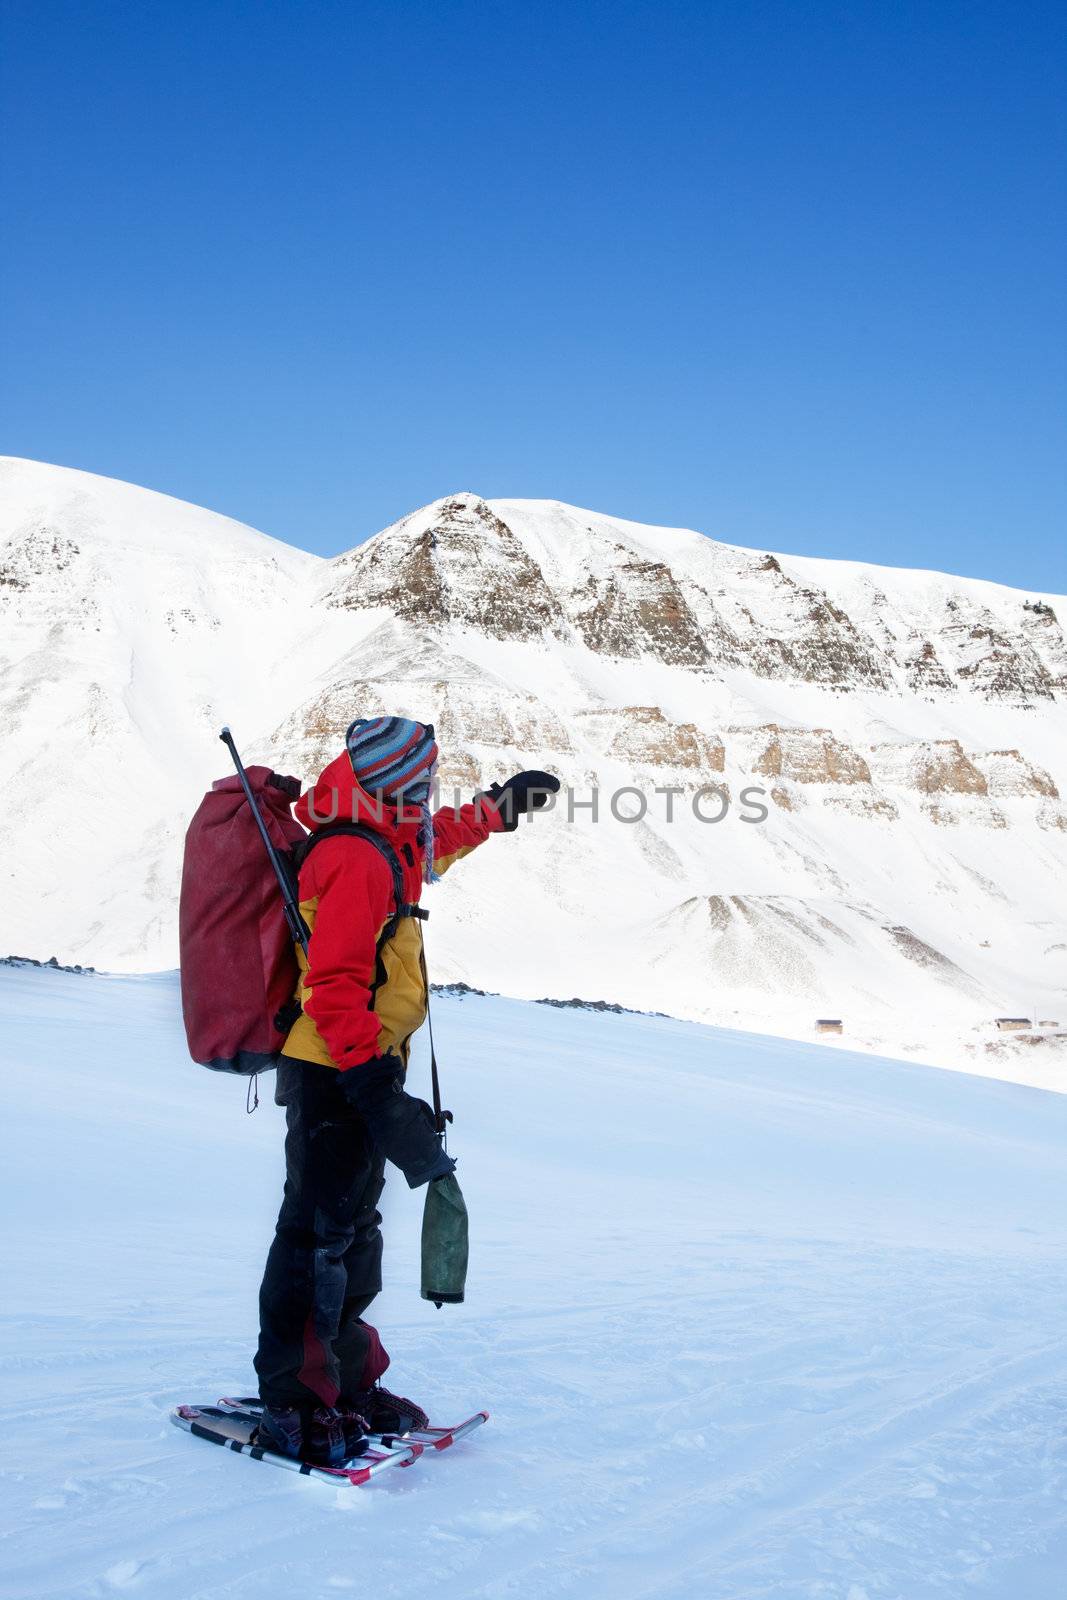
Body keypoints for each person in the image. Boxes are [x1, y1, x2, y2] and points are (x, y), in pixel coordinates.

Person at [254, 715, 558, 1464]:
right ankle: (294, 1404)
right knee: (314, 1239)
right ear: (393, 781)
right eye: (419, 779)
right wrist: (370, 1083)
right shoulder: (355, 857)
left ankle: (349, 1384)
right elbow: (332, 986)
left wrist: (495, 810)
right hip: (335, 1066)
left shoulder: (386, 834)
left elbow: (435, 841)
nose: (427, 792)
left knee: (354, 1232)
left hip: (363, 1061)